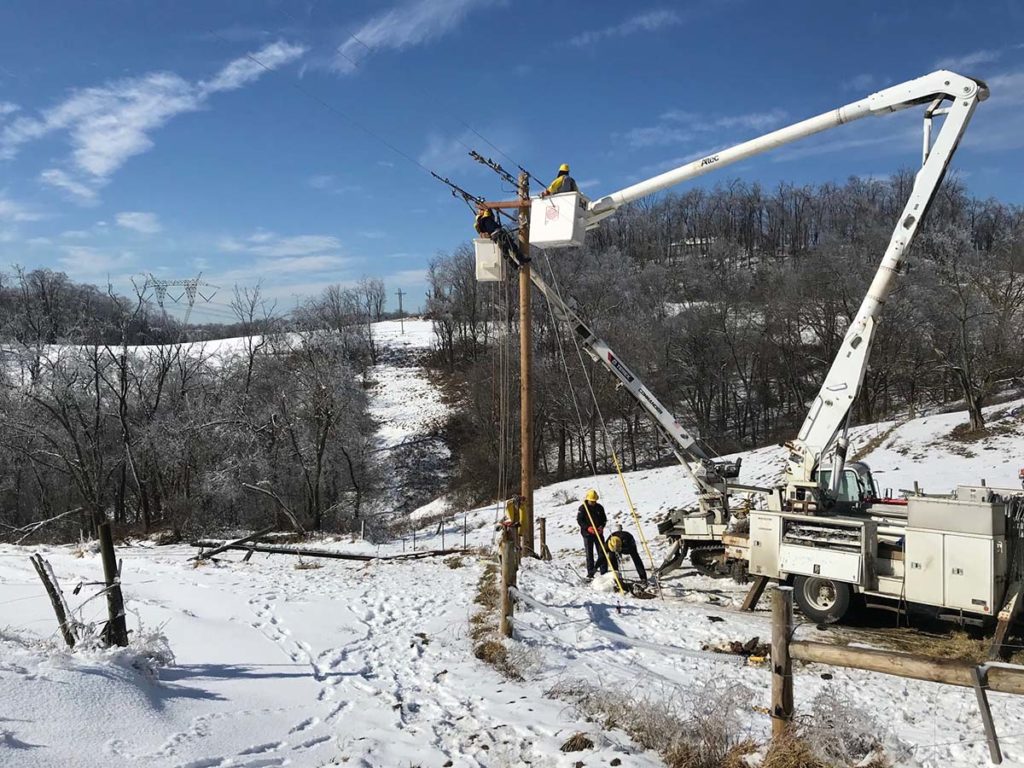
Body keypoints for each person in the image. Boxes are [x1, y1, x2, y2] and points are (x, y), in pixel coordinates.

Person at [474, 203, 529, 268]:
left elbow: (488, 215)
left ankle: (515, 266)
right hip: (499, 233)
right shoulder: (485, 218)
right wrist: (487, 206)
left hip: (495, 237)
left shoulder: (479, 224)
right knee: (512, 246)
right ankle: (521, 259)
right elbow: (487, 211)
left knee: (505, 252)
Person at [577, 489, 607, 578]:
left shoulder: (600, 507)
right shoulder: (582, 508)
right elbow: (580, 521)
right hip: (587, 534)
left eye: (594, 501)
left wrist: (602, 526)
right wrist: (588, 528)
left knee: (602, 553)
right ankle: (591, 573)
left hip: (598, 533)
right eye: (591, 501)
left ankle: (604, 572)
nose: (593, 502)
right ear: (588, 499)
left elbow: (604, 519)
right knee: (589, 554)